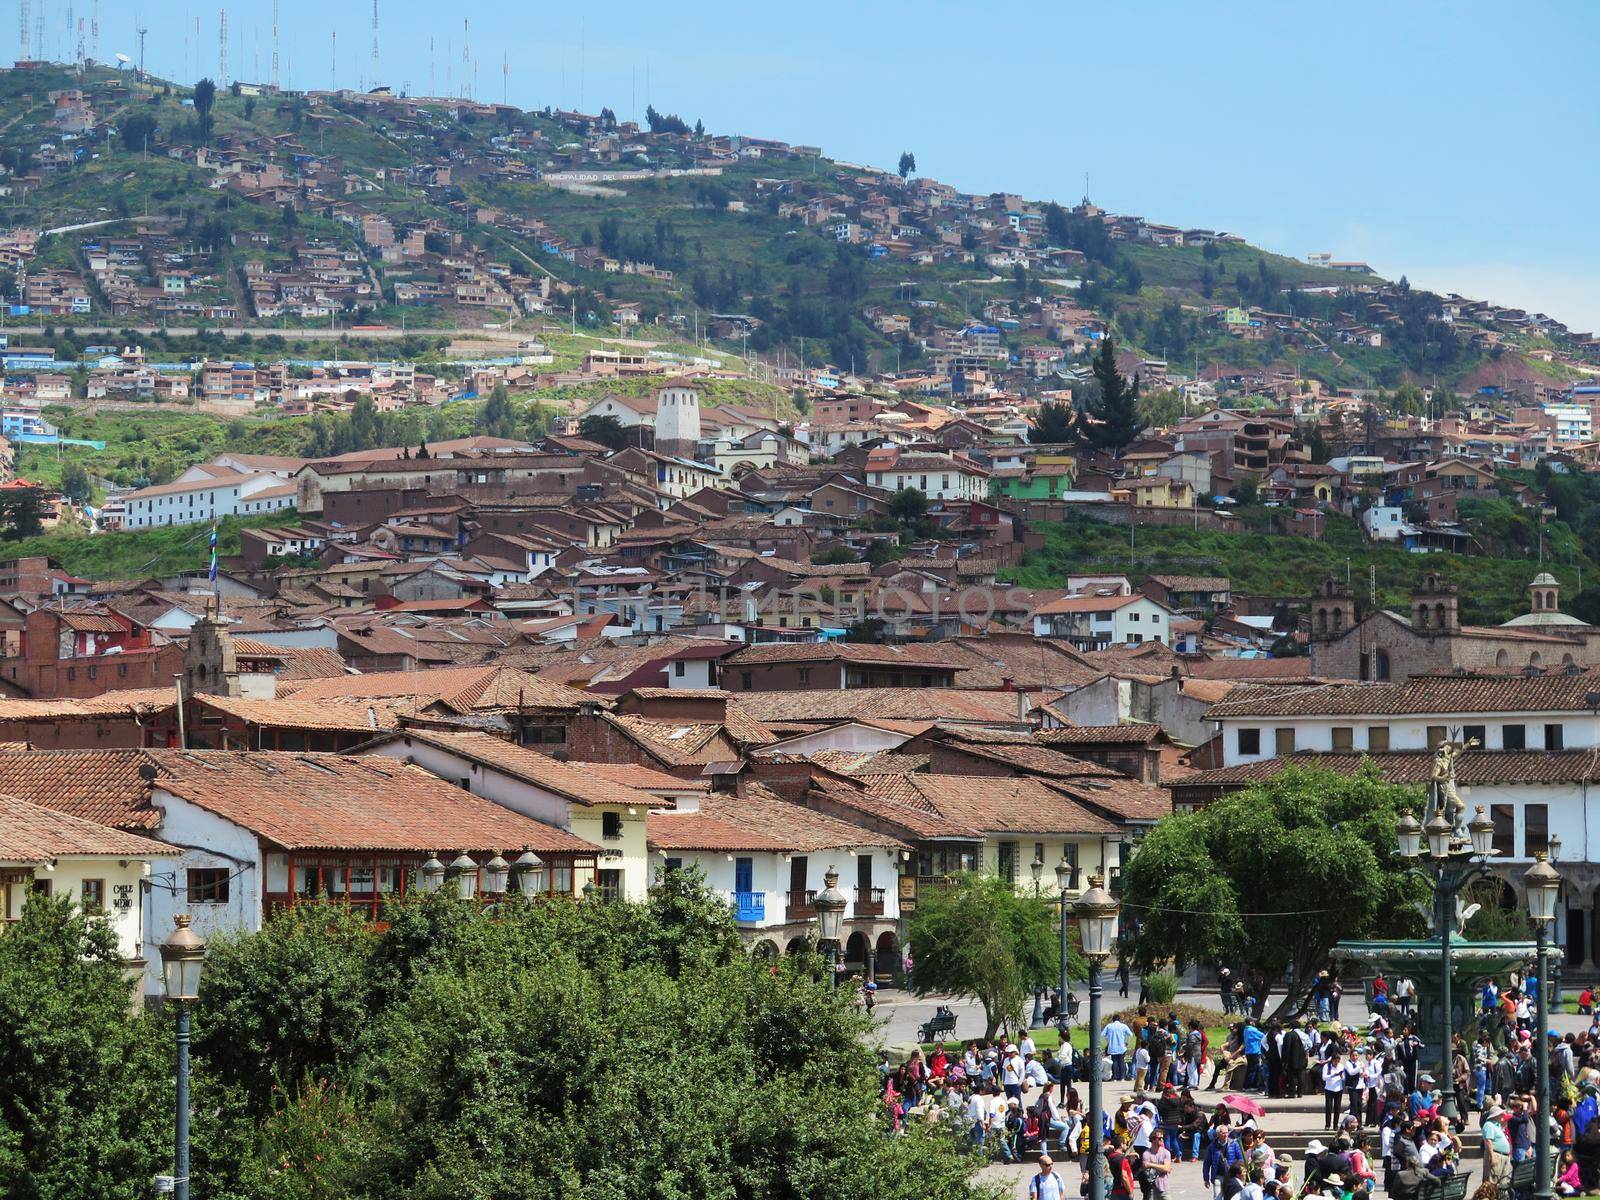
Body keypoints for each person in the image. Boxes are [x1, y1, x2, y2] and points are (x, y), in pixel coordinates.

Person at [1142, 1134, 1174, 1200]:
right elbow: (1147, 1170)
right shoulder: (1146, 1154)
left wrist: (1151, 1164)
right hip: (1151, 1188)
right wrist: (1162, 1167)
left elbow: (1167, 1168)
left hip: (1164, 1187)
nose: (1162, 1140)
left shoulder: (1166, 1152)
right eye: (1159, 1138)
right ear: (1153, 1140)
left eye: (1163, 1138)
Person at [1322, 1050, 1348, 1131]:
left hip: (1338, 1089)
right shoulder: (1327, 1066)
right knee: (1328, 1108)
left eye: (1338, 1061)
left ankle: (1335, 1125)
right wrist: (1333, 1075)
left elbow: (1344, 1078)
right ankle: (1327, 1124)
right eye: (1335, 1061)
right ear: (1332, 1060)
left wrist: (1341, 1076)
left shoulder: (1341, 1066)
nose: (1336, 1063)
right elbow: (1324, 1077)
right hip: (1329, 1089)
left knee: (1337, 1108)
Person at [1105, 1014, 1134, 1081]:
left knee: (1114, 1061)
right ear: (1119, 1020)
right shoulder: (1123, 1026)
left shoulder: (1109, 1026)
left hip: (1112, 1046)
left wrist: (1108, 1040)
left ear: (1113, 1020)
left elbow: (1103, 1034)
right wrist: (1127, 1041)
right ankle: (1122, 1077)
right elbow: (1130, 1034)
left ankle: (1114, 1077)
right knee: (1121, 1061)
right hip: (1122, 1046)